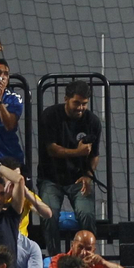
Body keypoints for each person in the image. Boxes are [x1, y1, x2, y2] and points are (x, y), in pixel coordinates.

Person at [38, 80, 102, 253]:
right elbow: (51, 149)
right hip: (50, 178)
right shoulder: (50, 116)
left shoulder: (93, 122)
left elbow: (95, 156)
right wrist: (78, 152)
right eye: (76, 103)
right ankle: (55, 259)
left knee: (87, 214)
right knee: (49, 215)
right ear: (66, 99)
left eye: (84, 104)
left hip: (78, 178)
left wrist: (88, 176)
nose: (80, 108)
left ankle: (87, 257)